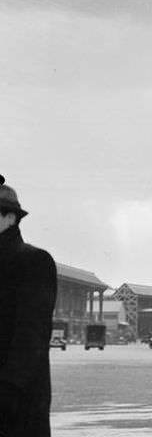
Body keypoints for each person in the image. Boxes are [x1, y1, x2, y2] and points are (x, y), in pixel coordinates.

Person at [0, 175, 57, 437]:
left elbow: (31, 337)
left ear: (10, 217)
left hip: (15, 405)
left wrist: (8, 391)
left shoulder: (33, 262)